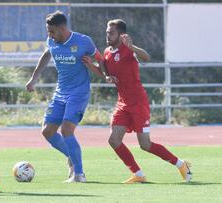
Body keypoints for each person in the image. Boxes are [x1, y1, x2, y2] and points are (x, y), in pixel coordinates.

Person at [82, 19, 192, 183]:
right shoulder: (107, 52)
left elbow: (146, 57)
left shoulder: (129, 49)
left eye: (111, 33)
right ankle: (138, 174)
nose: (108, 35)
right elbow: (106, 74)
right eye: (107, 32)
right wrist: (93, 67)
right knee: (113, 140)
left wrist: (132, 46)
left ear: (121, 34)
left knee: (145, 145)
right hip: (122, 103)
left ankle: (181, 164)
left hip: (138, 103)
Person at [26, 11, 103, 182]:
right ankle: (72, 157)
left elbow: (100, 58)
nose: (49, 35)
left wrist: (101, 70)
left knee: (67, 130)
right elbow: (46, 55)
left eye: (52, 31)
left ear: (62, 29)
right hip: (60, 92)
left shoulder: (83, 41)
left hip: (79, 93)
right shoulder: (51, 41)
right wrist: (34, 78)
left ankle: (79, 173)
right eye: (48, 32)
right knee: (47, 131)